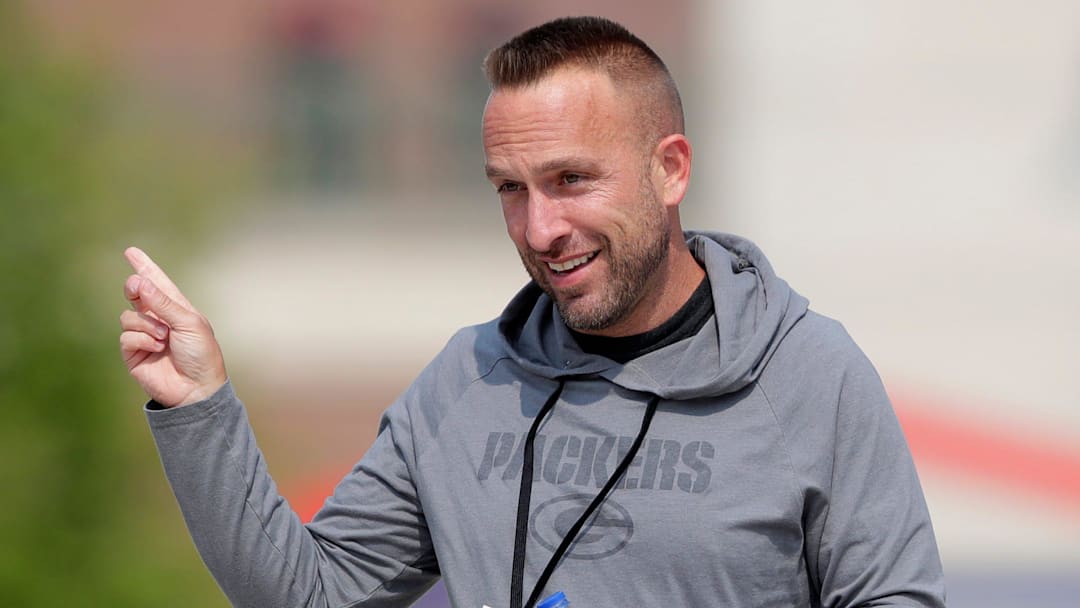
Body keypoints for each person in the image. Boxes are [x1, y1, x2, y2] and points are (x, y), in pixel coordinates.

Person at [119, 16, 946, 608]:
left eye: (571, 180)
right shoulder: (466, 380)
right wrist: (199, 410)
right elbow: (309, 595)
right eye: (510, 189)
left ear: (670, 170)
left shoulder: (810, 375)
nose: (540, 228)